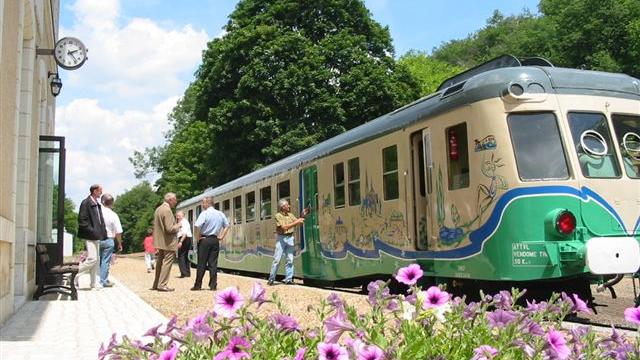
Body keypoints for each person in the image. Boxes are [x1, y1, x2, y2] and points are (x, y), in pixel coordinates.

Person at [191, 196, 229, 291]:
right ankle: (213, 285)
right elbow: (227, 226)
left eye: (203, 203)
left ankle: (198, 285)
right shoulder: (220, 214)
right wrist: (221, 236)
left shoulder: (204, 213)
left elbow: (196, 225)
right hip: (215, 240)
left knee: (201, 263)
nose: (202, 205)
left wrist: (197, 237)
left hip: (205, 240)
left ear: (208, 203)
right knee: (213, 263)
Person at [267, 199, 309, 286]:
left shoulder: (290, 215)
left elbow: (298, 222)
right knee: (277, 260)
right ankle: (271, 279)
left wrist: (303, 215)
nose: (289, 206)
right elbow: (284, 227)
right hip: (281, 238)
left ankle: (289, 279)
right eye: (287, 205)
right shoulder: (277, 216)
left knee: (290, 259)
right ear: (282, 207)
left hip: (290, 238)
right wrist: (297, 222)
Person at [77, 184, 108, 290]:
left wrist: (102, 233)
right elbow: (82, 220)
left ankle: (93, 283)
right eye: (100, 190)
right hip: (90, 235)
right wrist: (92, 231)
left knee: (96, 260)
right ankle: (75, 273)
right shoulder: (86, 202)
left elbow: (100, 220)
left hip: (97, 235)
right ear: (94, 191)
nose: (101, 192)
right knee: (92, 259)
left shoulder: (96, 203)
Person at [151, 192, 181, 292]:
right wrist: (178, 225)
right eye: (175, 200)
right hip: (168, 242)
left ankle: (156, 284)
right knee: (167, 263)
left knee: (160, 262)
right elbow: (169, 228)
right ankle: (162, 284)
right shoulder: (167, 210)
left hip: (160, 241)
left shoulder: (158, 209)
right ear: (169, 200)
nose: (176, 202)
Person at [99, 193, 123, 287]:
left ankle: (96, 280)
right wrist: (119, 244)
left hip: (97, 239)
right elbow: (118, 231)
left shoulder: (96, 213)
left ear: (102, 201)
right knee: (105, 261)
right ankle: (103, 281)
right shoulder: (113, 215)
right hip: (109, 239)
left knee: (97, 260)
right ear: (112, 203)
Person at [176, 211, 193, 278]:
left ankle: (184, 273)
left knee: (181, 256)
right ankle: (187, 273)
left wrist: (180, 241)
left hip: (184, 238)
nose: (177, 217)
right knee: (185, 256)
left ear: (183, 216)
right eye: (177, 215)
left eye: (179, 215)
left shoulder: (184, 222)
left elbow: (184, 233)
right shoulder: (181, 222)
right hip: (187, 238)